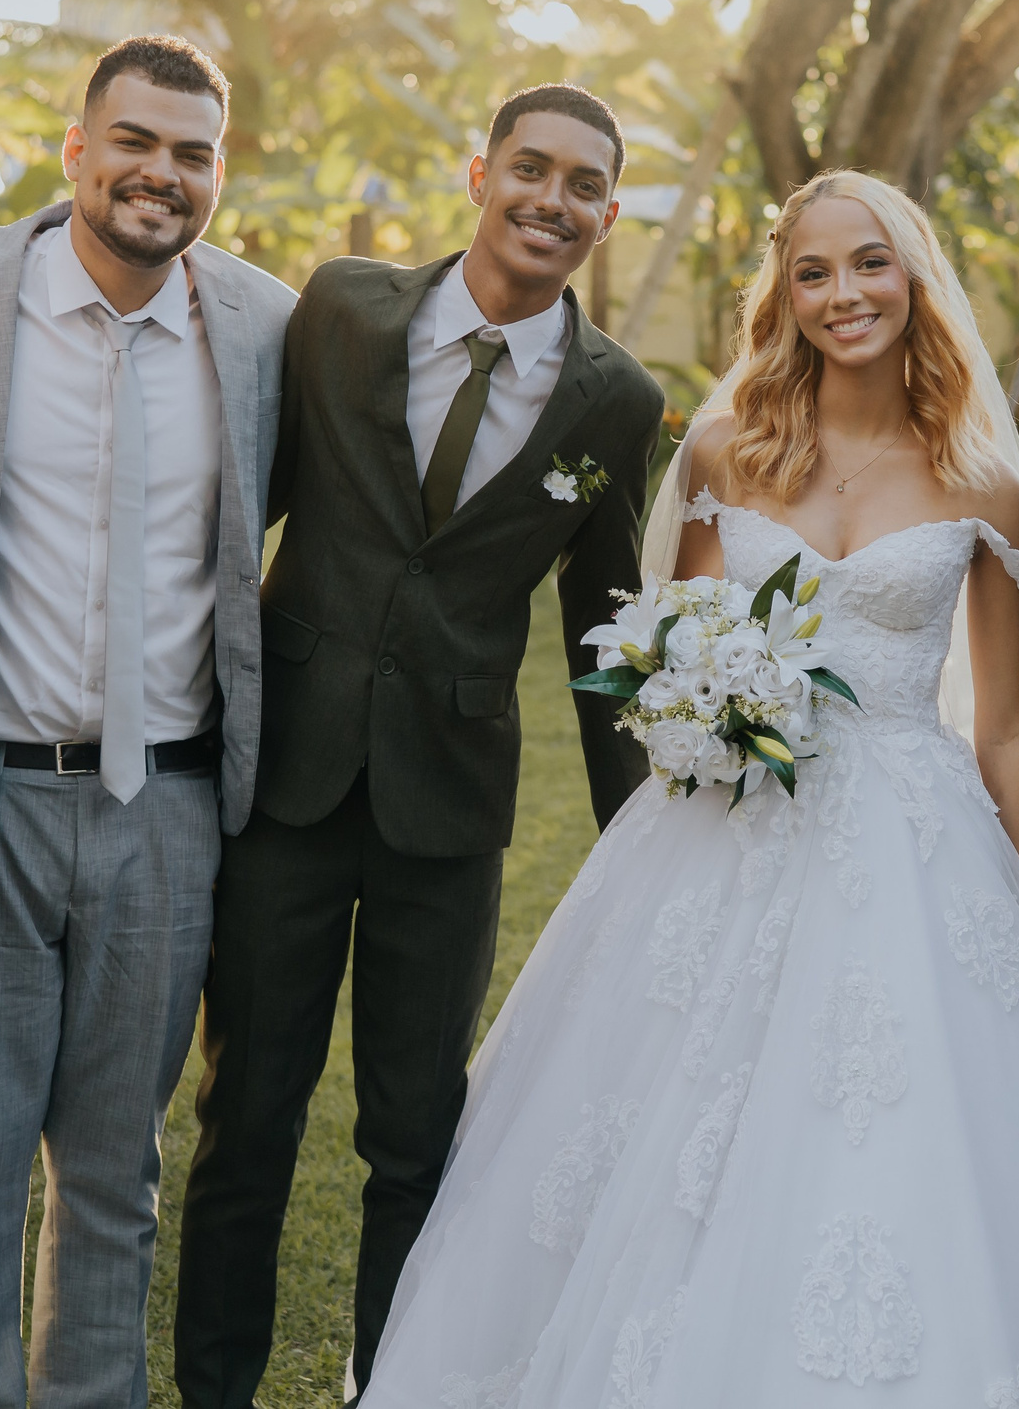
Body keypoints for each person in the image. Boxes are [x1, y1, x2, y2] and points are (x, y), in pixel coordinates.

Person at [351, 168, 1019, 1407]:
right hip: (721, 830)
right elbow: (674, 642)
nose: (842, 293)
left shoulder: (981, 479)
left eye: (868, 264)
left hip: (911, 846)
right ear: (784, 290)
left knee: (892, 1135)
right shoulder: (722, 447)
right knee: (653, 1128)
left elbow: (1010, 729)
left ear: (913, 276)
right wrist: (699, 719)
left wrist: (1016, 916)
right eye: (812, 271)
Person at [173, 83, 665, 1406]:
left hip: (448, 810)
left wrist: (647, 843)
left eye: (582, 185)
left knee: (414, 1136)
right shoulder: (341, 310)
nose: (551, 200)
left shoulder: (618, 400)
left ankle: (386, 1388)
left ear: (608, 215)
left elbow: (604, 624)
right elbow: (238, 511)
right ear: (479, 173)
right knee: (247, 1114)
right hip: (288, 775)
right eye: (531, 168)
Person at [0, 34, 295, 1408]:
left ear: (219, 171)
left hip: (167, 804)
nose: (162, 173)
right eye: (137, 141)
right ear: (77, 148)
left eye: (193, 151)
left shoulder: (269, 327)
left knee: (119, 1164)